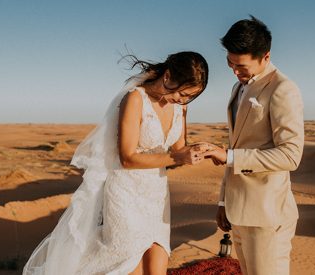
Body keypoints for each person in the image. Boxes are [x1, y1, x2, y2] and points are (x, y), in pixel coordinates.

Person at [23, 51, 213, 275]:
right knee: (126, 261)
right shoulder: (135, 99)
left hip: (156, 192)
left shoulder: (181, 107)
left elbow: (179, 148)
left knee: (157, 259)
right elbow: (127, 157)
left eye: (190, 96)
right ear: (168, 75)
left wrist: (199, 150)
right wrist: (177, 157)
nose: (182, 100)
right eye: (181, 92)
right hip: (125, 191)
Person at [204, 17, 304, 275]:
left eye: (241, 65)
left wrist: (229, 157)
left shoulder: (283, 89)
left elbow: (290, 155)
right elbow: (236, 145)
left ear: (266, 56)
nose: (235, 71)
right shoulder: (238, 88)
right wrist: (224, 202)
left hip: (267, 214)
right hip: (239, 212)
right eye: (230, 62)